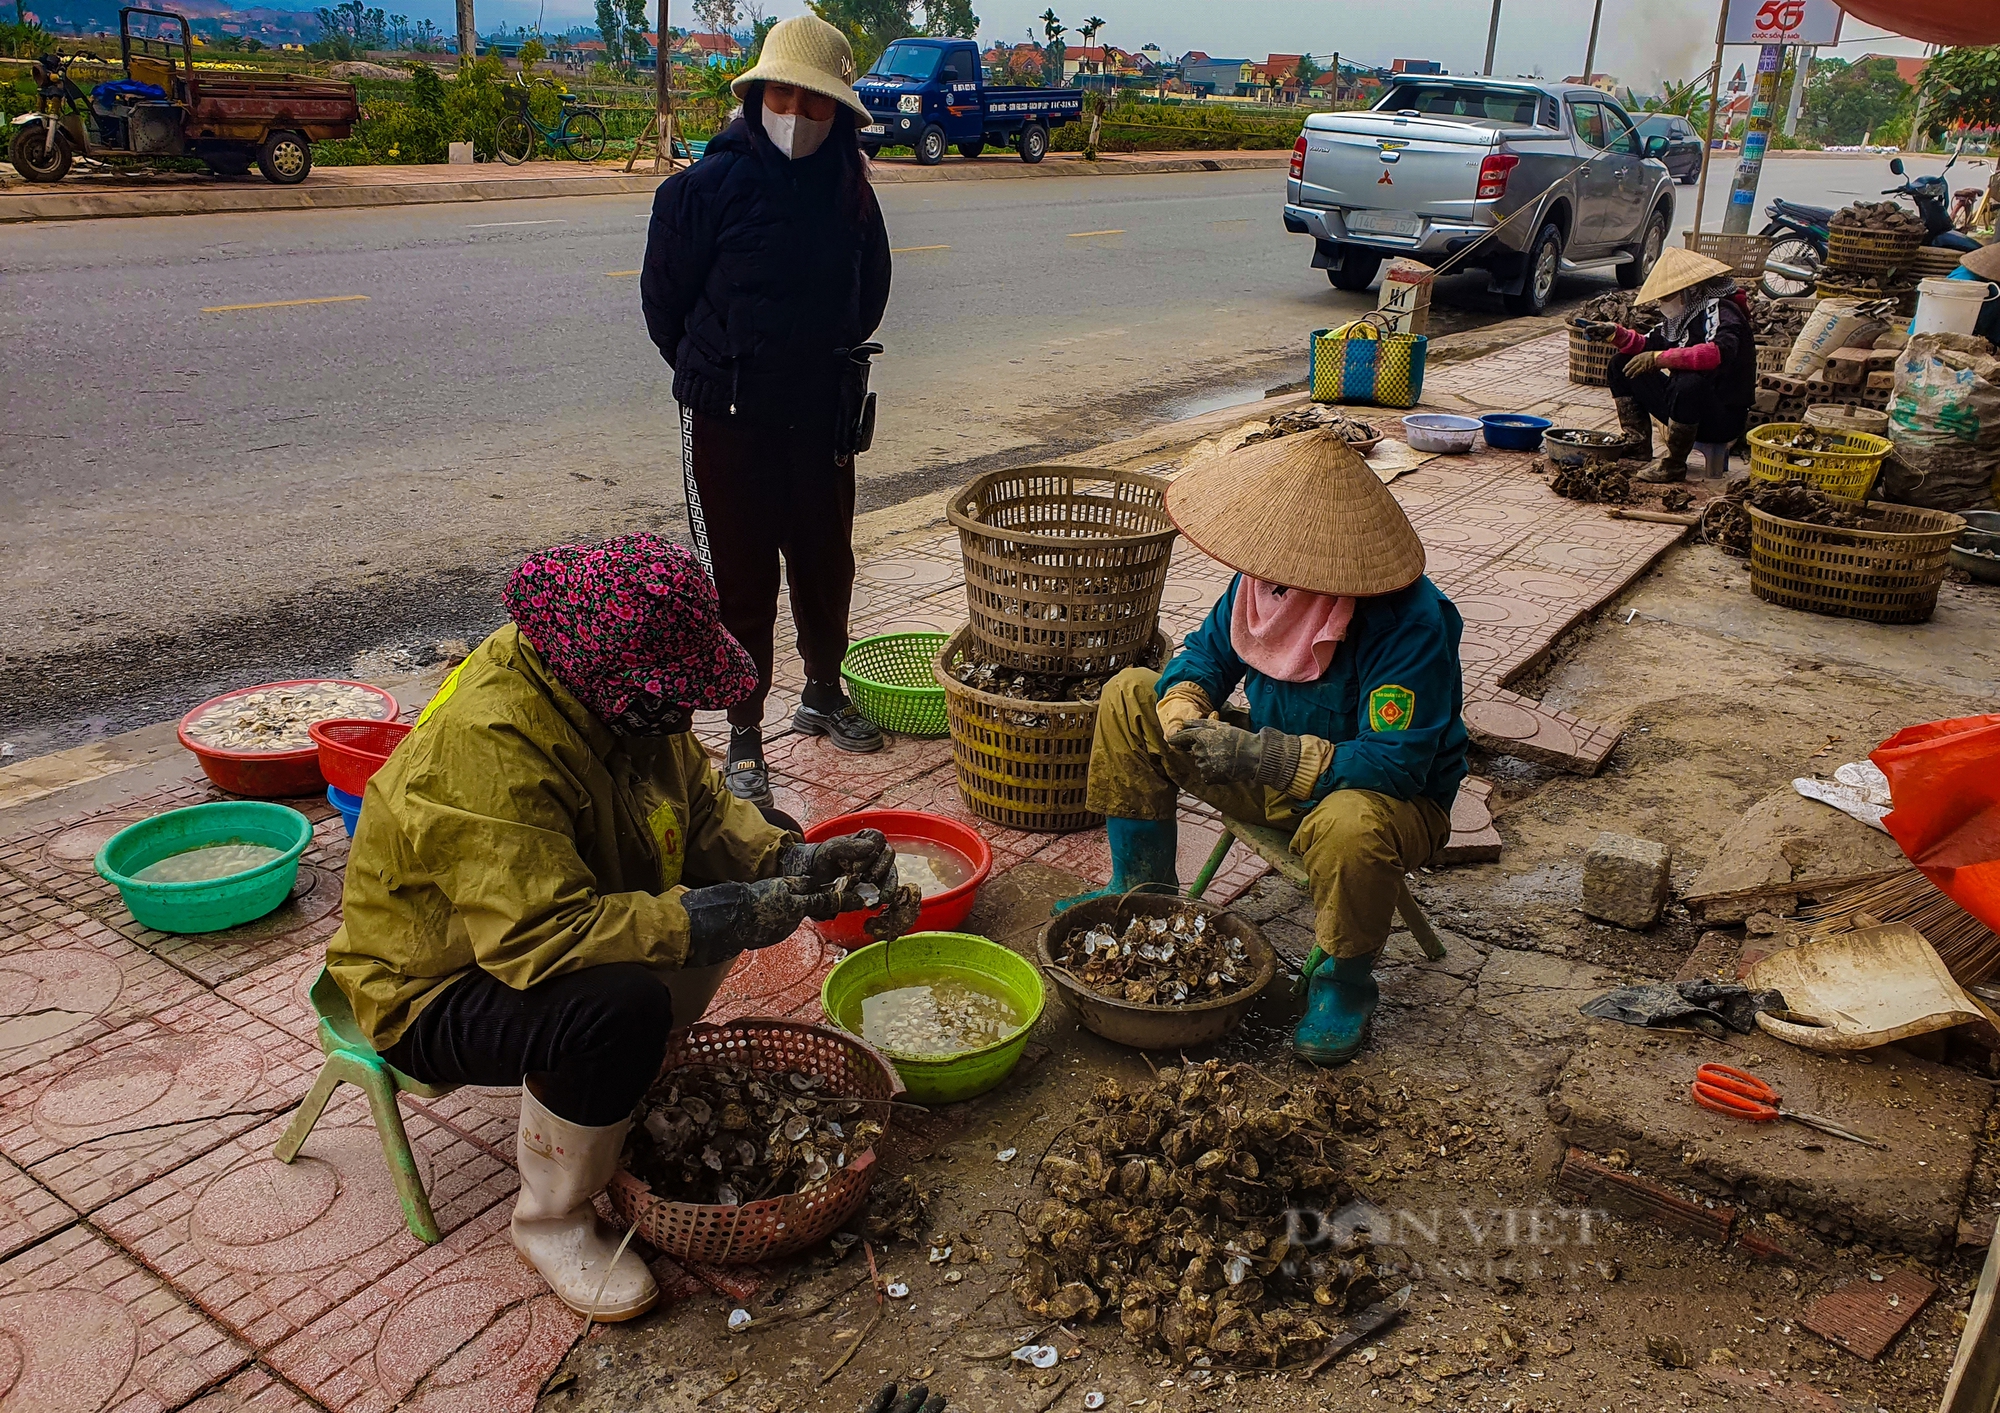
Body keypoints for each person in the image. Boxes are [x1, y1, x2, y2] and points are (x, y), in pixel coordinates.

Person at [325, 533, 911, 1322]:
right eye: (673, 696)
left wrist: (792, 859)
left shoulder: (606, 682)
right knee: (616, 1008)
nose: (684, 713)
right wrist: (723, 914)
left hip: (554, 907)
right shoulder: (487, 743)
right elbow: (540, 936)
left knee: (751, 843)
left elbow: (702, 809)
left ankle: (615, 1084)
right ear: (608, 682)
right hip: (433, 983)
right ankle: (551, 1218)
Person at [1057, 429, 1468, 1068]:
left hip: (1387, 804)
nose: (1268, 575)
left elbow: (1396, 764)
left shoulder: (1411, 622)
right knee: (1130, 693)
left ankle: (1344, 984)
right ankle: (1139, 884)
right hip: (1273, 778)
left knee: (1350, 824)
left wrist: (1261, 758)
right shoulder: (1265, 585)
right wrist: (1185, 701)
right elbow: (1204, 654)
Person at [641, 13, 893, 810]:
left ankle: (823, 692)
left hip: (820, 419)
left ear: (839, 114)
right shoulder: (698, 191)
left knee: (826, 567)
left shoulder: (852, 192)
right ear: (757, 96)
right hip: (728, 421)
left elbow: (871, 294)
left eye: (815, 103)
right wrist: (723, 370)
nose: (797, 113)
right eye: (783, 94)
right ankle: (744, 735)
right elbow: (664, 309)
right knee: (740, 585)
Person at [1588, 246, 1755, 484]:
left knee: (1688, 383)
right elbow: (1645, 344)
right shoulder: (1681, 318)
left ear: (1690, 291)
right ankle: (1637, 443)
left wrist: (1660, 359)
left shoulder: (1723, 311)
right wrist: (1615, 334)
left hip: (1722, 417)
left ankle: (1675, 463)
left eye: (1666, 296)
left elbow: (1717, 353)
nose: (1661, 303)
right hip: (1685, 411)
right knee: (1621, 364)